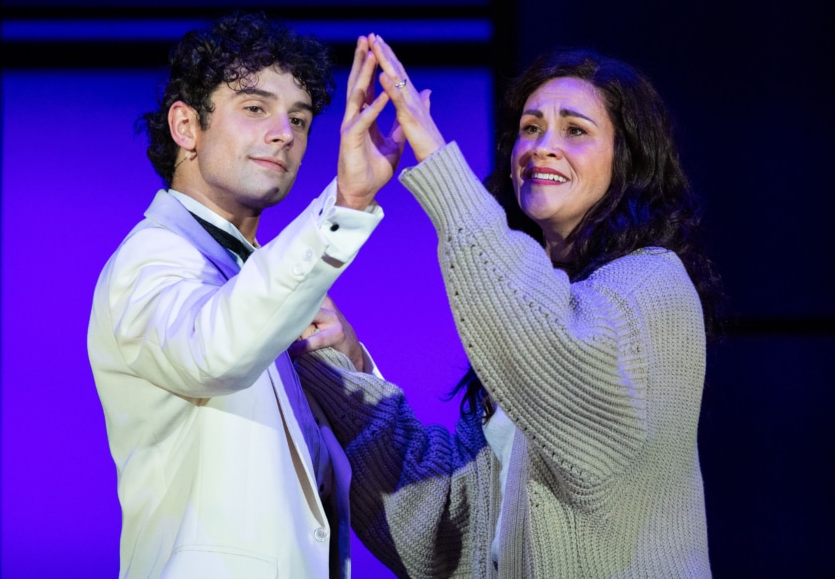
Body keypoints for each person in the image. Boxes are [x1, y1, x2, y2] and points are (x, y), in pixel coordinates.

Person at [293, 35, 719, 577]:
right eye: (530, 128)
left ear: (628, 161)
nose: (541, 146)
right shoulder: (525, 309)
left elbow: (556, 352)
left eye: (576, 130)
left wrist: (434, 155)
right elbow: (448, 530)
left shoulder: (655, 284)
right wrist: (342, 365)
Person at [87, 12, 403, 578]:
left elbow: (337, 477)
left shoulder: (264, 278)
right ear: (187, 127)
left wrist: (354, 363)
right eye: (255, 108)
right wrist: (347, 202)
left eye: (300, 119)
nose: (284, 132)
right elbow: (215, 351)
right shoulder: (150, 258)